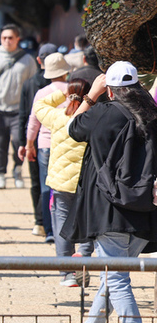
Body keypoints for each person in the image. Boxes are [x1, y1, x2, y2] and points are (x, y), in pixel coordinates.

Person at [66, 62, 157, 323]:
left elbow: (73, 129)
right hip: (144, 207)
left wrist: (90, 95)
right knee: (111, 276)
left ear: (110, 91)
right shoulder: (152, 113)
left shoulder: (104, 112)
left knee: (115, 279)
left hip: (109, 209)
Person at [33, 78, 93, 287]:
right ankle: (84, 256)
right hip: (85, 182)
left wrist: (62, 93)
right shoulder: (92, 119)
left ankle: (67, 273)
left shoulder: (57, 118)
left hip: (60, 182)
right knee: (88, 222)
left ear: (69, 95)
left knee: (61, 226)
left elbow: (39, 105)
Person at [0, 24, 37, 189]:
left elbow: (32, 85)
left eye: (10, 38)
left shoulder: (27, 60)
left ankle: (18, 170)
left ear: (17, 39)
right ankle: (1, 174)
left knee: (19, 141)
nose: (7, 41)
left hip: (18, 111)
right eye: (4, 38)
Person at [24, 52, 71, 243]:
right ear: (66, 72)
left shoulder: (42, 93)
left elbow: (33, 122)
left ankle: (49, 230)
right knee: (67, 187)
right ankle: (67, 229)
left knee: (46, 186)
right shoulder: (74, 91)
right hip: (69, 144)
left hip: (45, 144)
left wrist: (29, 144)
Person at [17, 42, 58, 237]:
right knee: (48, 183)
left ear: (39, 60)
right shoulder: (34, 84)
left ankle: (41, 222)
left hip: (37, 142)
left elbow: (25, 116)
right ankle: (46, 221)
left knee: (38, 182)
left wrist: (24, 142)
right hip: (48, 141)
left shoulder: (32, 84)